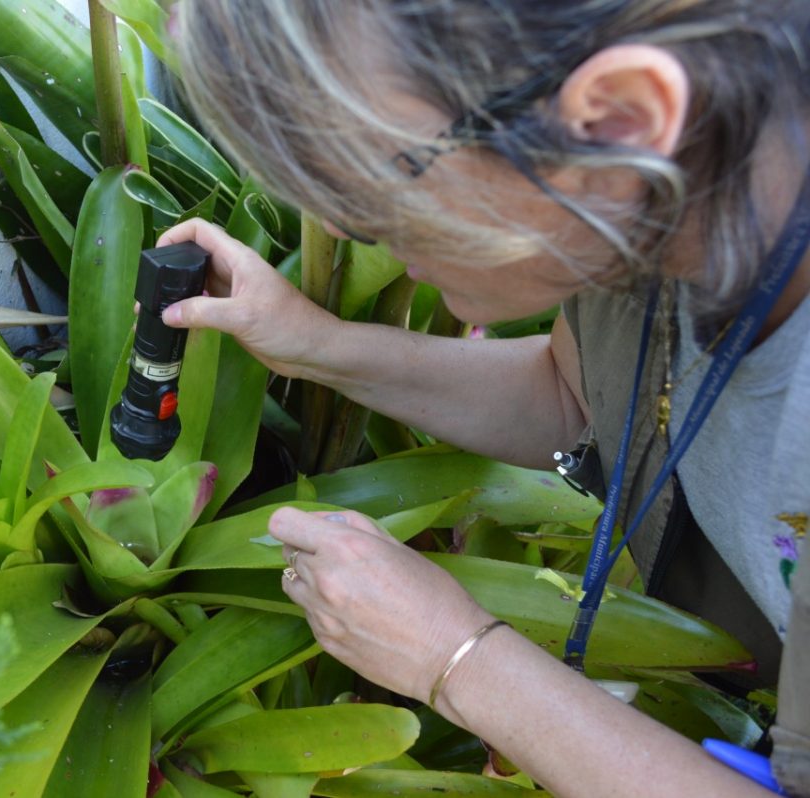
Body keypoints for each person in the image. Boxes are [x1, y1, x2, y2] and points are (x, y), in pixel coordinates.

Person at [154, 2, 810, 796]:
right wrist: (312, 342)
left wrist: (456, 657)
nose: (347, 231)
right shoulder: (655, 193)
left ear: (621, 114)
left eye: (368, 197)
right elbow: (575, 397)